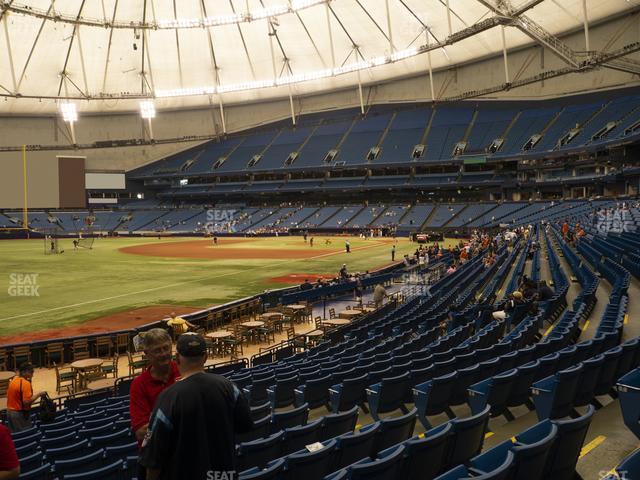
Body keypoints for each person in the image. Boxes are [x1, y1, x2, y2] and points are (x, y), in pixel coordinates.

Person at [140, 334, 253, 480]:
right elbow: (246, 426)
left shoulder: (168, 397)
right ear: (205, 357)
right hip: (224, 475)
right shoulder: (229, 386)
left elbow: (153, 459)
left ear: (177, 358)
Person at [130, 329, 181, 480]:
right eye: (157, 350)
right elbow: (141, 433)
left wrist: (157, 420)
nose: (164, 353)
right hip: (155, 459)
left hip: (184, 452)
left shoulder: (183, 370)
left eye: (166, 348)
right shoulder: (139, 385)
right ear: (147, 354)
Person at [6, 363, 45, 433]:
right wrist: (39, 394)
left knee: (16, 437)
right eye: (31, 372)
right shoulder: (25, 383)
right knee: (24, 436)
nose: (32, 374)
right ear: (24, 372)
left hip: (9, 413)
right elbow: (26, 402)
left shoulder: (13, 380)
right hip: (19, 414)